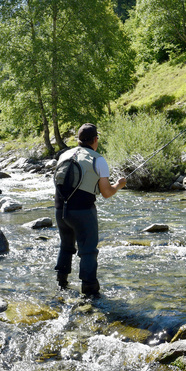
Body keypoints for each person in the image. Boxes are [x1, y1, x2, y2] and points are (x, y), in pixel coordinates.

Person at [54, 123, 126, 296]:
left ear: (78, 140)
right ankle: (89, 290)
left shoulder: (64, 154)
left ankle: (61, 283)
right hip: (83, 212)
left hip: (60, 210)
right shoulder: (98, 159)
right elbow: (106, 193)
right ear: (96, 140)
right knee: (88, 251)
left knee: (66, 246)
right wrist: (119, 185)